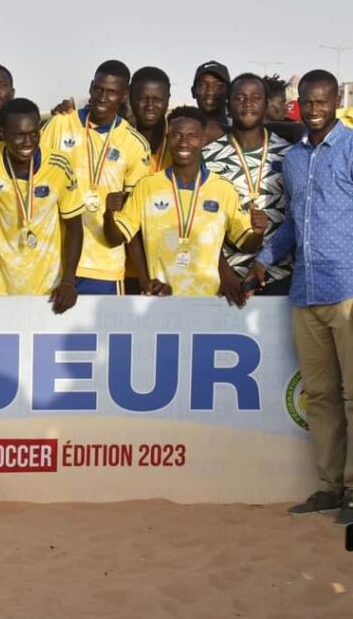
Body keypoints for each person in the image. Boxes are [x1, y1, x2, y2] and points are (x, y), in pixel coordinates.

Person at [247, 70, 353, 525]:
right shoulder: (292, 159)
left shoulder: (350, 148)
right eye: (307, 102)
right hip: (305, 291)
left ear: (336, 102)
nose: (313, 110)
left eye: (322, 102)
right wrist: (264, 258)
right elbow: (292, 222)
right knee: (322, 396)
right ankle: (331, 487)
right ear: (299, 102)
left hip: (348, 290)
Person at [104, 106, 266, 296]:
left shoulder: (223, 189)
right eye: (177, 135)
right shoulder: (147, 186)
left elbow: (248, 244)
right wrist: (109, 214)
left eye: (192, 136)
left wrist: (258, 232)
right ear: (168, 138)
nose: (184, 143)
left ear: (203, 140)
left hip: (208, 301)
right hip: (161, 299)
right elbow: (115, 238)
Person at [39, 60, 150, 295]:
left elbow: (130, 216)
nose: (102, 97)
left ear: (124, 95)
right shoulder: (60, 123)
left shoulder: (134, 144)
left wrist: (143, 277)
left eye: (111, 92)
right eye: (98, 89)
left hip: (104, 265)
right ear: (91, 87)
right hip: (53, 260)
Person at [0, 99, 83, 312]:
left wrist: (69, 281)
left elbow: (74, 227)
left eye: (33, 134)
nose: (27, 143)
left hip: (47, 291)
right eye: (18, 136)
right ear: (3, 132)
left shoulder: (59, 164)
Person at [204, 74, 292, 300]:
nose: (248, 103)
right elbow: (201, 223)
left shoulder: (289, 154)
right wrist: (224, 273)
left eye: (255, 97)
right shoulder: (207, 156)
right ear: (228, 105)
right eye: (240, 98)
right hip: (226, 278)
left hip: (280, 275)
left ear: (266, 104)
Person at [130, 67, 172, 173]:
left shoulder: (179, 139)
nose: (149, 107)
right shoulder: (119, 137)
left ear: (168, 99)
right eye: (142, 99)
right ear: (130, 97)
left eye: (157, 100)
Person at [192, 60, 230, 141]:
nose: (210, 91)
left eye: (218, 85)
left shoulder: (240, 132)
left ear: (230, 92)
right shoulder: (182, 132)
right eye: (203, 85)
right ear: (193, 92)